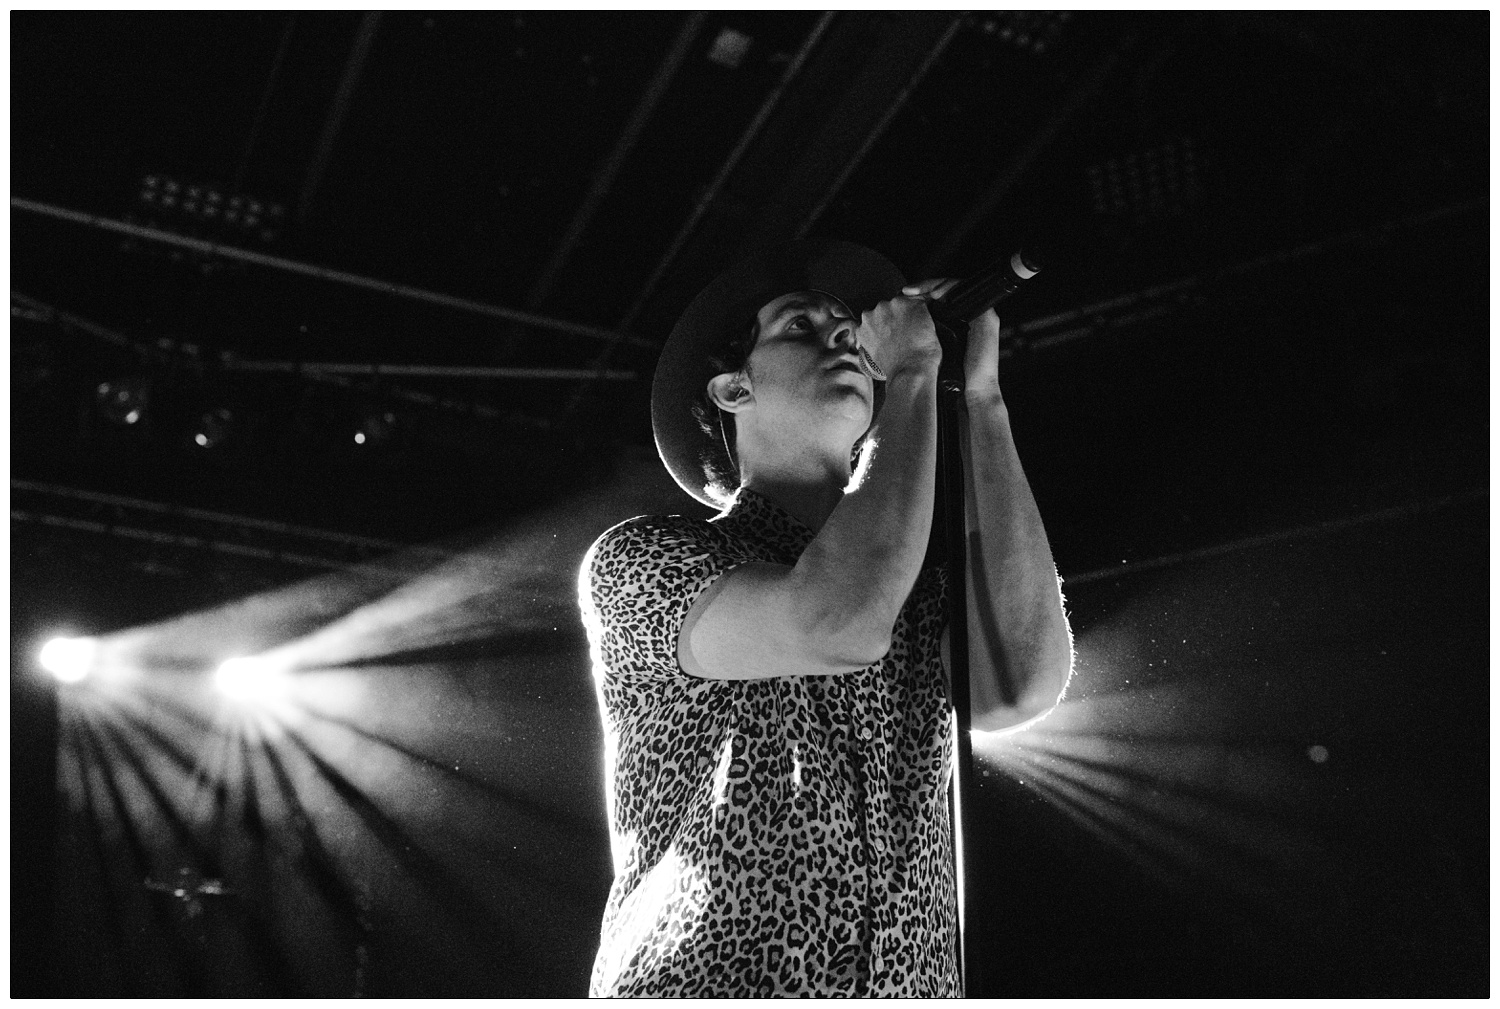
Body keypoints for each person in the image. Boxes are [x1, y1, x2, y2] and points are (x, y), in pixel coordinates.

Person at [577, 239, 1072, 997]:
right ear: (733, 390)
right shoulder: (647, 561)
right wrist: (909, 372)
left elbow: (1021, 683)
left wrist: (980, 397)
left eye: (847, 329)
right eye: (801, 328)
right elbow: (836, 618)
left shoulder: (909, 589)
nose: (841, 336)